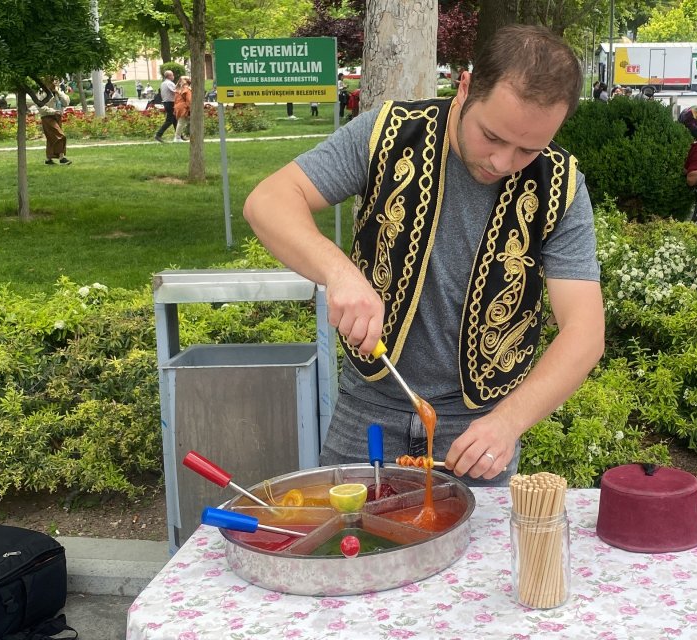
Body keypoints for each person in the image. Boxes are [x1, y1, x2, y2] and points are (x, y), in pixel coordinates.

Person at [242, 24, 604, 486]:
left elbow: (585, 331)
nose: (501, 162)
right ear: (466, 87)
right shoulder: (389, 134)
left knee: (477, 559)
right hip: (368, 405)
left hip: (481, 423)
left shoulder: (561, 186)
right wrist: (341, 273)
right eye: (491, 136)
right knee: (346, 549)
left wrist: (509, 422)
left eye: (527, 149)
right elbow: (269, 200)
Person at [38, 79, 71, 165]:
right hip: (47, 117)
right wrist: (52, 111)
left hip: (57, 117)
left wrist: (58, 93)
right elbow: (40, 107)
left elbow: (66, 103)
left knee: (51, 138)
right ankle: (61, 158)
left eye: (56, 81)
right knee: (60, 136)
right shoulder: (43, 93)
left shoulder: (59, 92)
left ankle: (49, 159)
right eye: (52, 81)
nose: (54, 83)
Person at [154, 70, 177, 143]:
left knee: (175, 120)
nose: (173, 76)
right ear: (169, 76)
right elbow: (175, 91)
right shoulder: (169, 83)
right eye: (172, 75)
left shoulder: (163, 83)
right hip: (170, 103)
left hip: (166, 102)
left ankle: (179, 135)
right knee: (170, 120)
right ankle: (158, 134)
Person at [173, 75, 192, 142]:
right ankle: (177, 137)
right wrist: (190, 108)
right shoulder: (187, 89)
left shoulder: (178, 89)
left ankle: (182, 136)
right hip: (183, 107)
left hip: (178, 106)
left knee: (184, 121)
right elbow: (189, 100)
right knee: (181, 122)